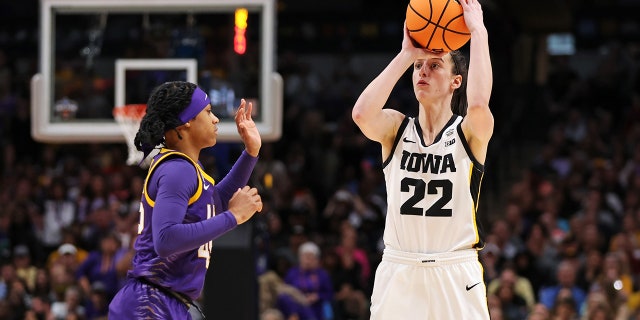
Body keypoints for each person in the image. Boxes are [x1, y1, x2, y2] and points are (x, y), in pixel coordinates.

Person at [351, 0, 493, 318]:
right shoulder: (396, 129)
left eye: (435, 65)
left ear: (456, 82)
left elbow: (480, 105)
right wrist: (406, 55)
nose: (423, 72)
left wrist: (479, 32)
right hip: (400, 269)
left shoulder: (468, 132)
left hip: (455, 270)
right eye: (419, 67)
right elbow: (361, 114)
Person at [108, 81, 263, 319]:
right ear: (187, 121)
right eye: (208, 112)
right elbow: (166, 240)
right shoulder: (177, 171)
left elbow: (215, 204)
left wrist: (250, 153)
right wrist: (234, 217)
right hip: (150, 305)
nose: (216, 120)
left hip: (164, 302)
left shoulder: (189, 169)